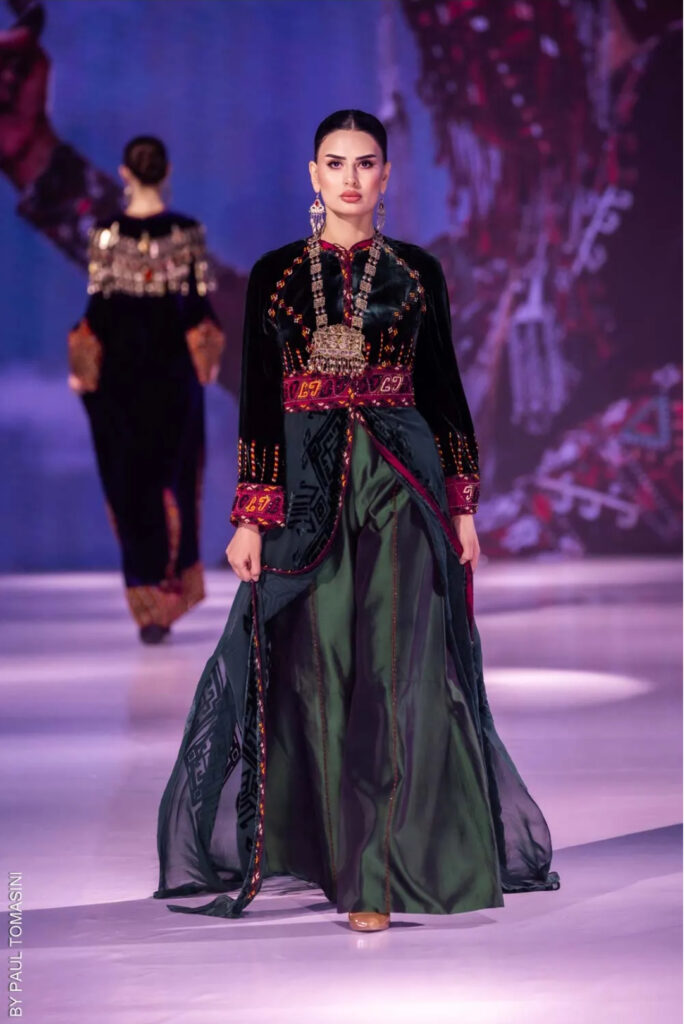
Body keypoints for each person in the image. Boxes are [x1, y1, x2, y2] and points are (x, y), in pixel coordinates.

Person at [154, 110, 560, 931]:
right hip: (306, 491)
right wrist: (250, 516)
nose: (349, 178)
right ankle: (332, 854)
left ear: (386, 175)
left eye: (365, 163)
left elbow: (443, 387)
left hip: (401, 478)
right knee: (319, 670)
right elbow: (258, 404)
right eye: (334, 163)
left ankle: (376, 876)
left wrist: (461, 504)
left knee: (395, 670)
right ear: (313, 175)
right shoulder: (275, 274)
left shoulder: (415, 272)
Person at [67, 136, 225, 643]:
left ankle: (148, 597)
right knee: (174, 478)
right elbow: (199, 310)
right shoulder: (187, 232)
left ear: (124, 173)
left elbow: (98, 312)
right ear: (168, 170)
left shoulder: (105, 235)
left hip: (120, 380)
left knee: (130, 483)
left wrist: (82, 369)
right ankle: (170, 588)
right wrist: (207, 361)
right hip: (173, 377)